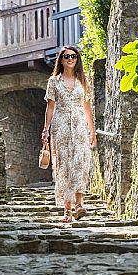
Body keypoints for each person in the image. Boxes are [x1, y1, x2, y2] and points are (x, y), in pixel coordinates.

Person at [41, 46, 97, 223]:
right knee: (64, 167)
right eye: (66, 56)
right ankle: (67, 210)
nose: (70, 59)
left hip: (80, 126)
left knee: (80, 162)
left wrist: (92, 131)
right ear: (61, 59)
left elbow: (87, 107)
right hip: (61, 127)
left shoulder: (84, 80)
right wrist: (45, 129)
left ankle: (79, 205)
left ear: (77, 59)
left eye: (73, 56)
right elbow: (50, 107)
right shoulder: (54, 82)